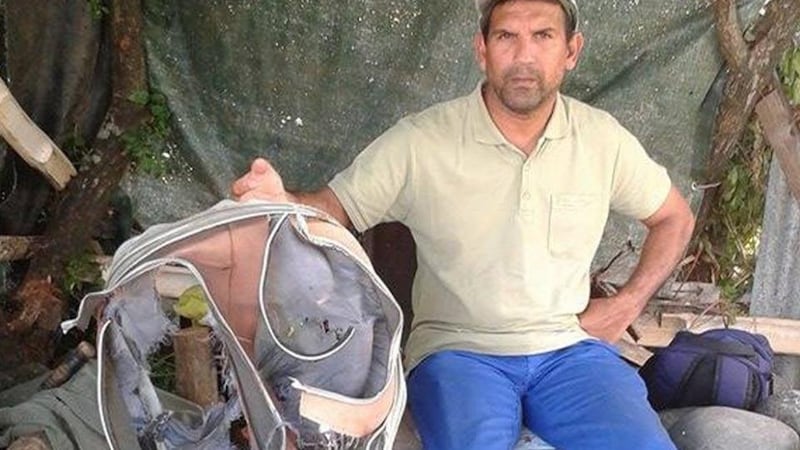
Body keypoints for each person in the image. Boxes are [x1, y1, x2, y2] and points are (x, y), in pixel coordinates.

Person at [232, 0, 695, 448]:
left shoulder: (602, 139)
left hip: (570, 352)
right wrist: (283, 200)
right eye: (506, 36)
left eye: (543, 36)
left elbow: (674, 216)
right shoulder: (422, 141)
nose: (524, 55)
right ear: (482, 49)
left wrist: (630, 303)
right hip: (459, 354)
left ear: (571, 51)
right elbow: (335, 207)